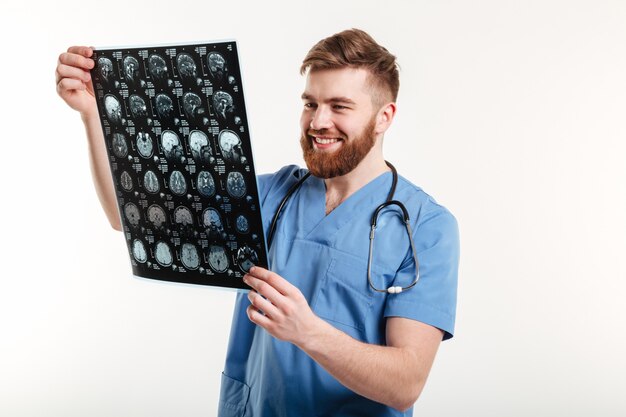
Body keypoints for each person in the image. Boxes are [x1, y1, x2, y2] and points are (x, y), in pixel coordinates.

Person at [56, 28, 459, 416]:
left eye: (339, 106)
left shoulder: (425, 226)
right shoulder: (268, 196)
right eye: (310, 103)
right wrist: (92, 115)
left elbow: (406, 384)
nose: (318, 121)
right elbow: (128, 218)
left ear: (384, 116)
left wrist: (308, 332)